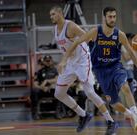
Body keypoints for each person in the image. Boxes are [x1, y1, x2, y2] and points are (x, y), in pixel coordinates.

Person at [59, 6, 137, 132]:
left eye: (114, 17)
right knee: (114, 103)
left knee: (126, 87)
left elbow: (132, 54)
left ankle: (136, 116)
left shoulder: (119, 34)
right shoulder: (95, 32)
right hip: (101, 71)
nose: (112, 19)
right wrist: (64, 60)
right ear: (104, 17)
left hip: (115, 67)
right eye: (110, 17)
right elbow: (76, 42)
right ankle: (130, 113)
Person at [49, 6, 117, 135]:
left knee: (90, 92)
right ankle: (84, 114)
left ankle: (111, 121)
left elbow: (88, 37)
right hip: (70, 63)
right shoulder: (55, 30)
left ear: (60, 14)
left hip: (82, 61)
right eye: (50, 15)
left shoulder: (71, 26)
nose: (51, 17)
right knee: (59, 93)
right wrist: (65, 60)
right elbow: (65, 47)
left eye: (53, 14)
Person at [31, 55, 58, 120]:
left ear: (51, 61)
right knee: (34, 91)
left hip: (52, 89)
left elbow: (57, 80)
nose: (48, 62)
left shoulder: (55, 70)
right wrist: (42, 88)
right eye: (46, 61)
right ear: (44, 62)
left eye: (49, 60)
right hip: (43, 90)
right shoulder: (39, 71)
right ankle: (35, 113)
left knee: (60, 91)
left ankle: (58, 112)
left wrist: (47, 81)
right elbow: (35, 84)